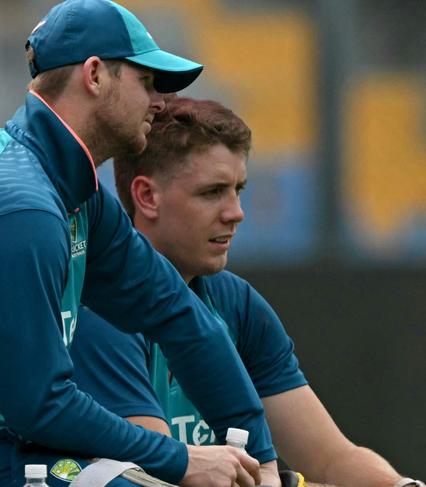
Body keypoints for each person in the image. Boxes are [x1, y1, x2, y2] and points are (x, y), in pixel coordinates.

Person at [0, 1, 282, 486]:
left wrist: (260, 459)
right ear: (95, 75)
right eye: (146, 82)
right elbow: (41, 405)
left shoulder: (72, 192)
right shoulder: (23, 208)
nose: (159, 102)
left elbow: (177, 313)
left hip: (0, 447)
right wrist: (183, 459)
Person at [70, 96, 423, 487]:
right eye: (212, 192)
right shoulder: (100, 308)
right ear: (147, 196)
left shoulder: (236, 303)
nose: (236, 212)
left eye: (238, 189)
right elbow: (157, 477)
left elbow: (331, 457)